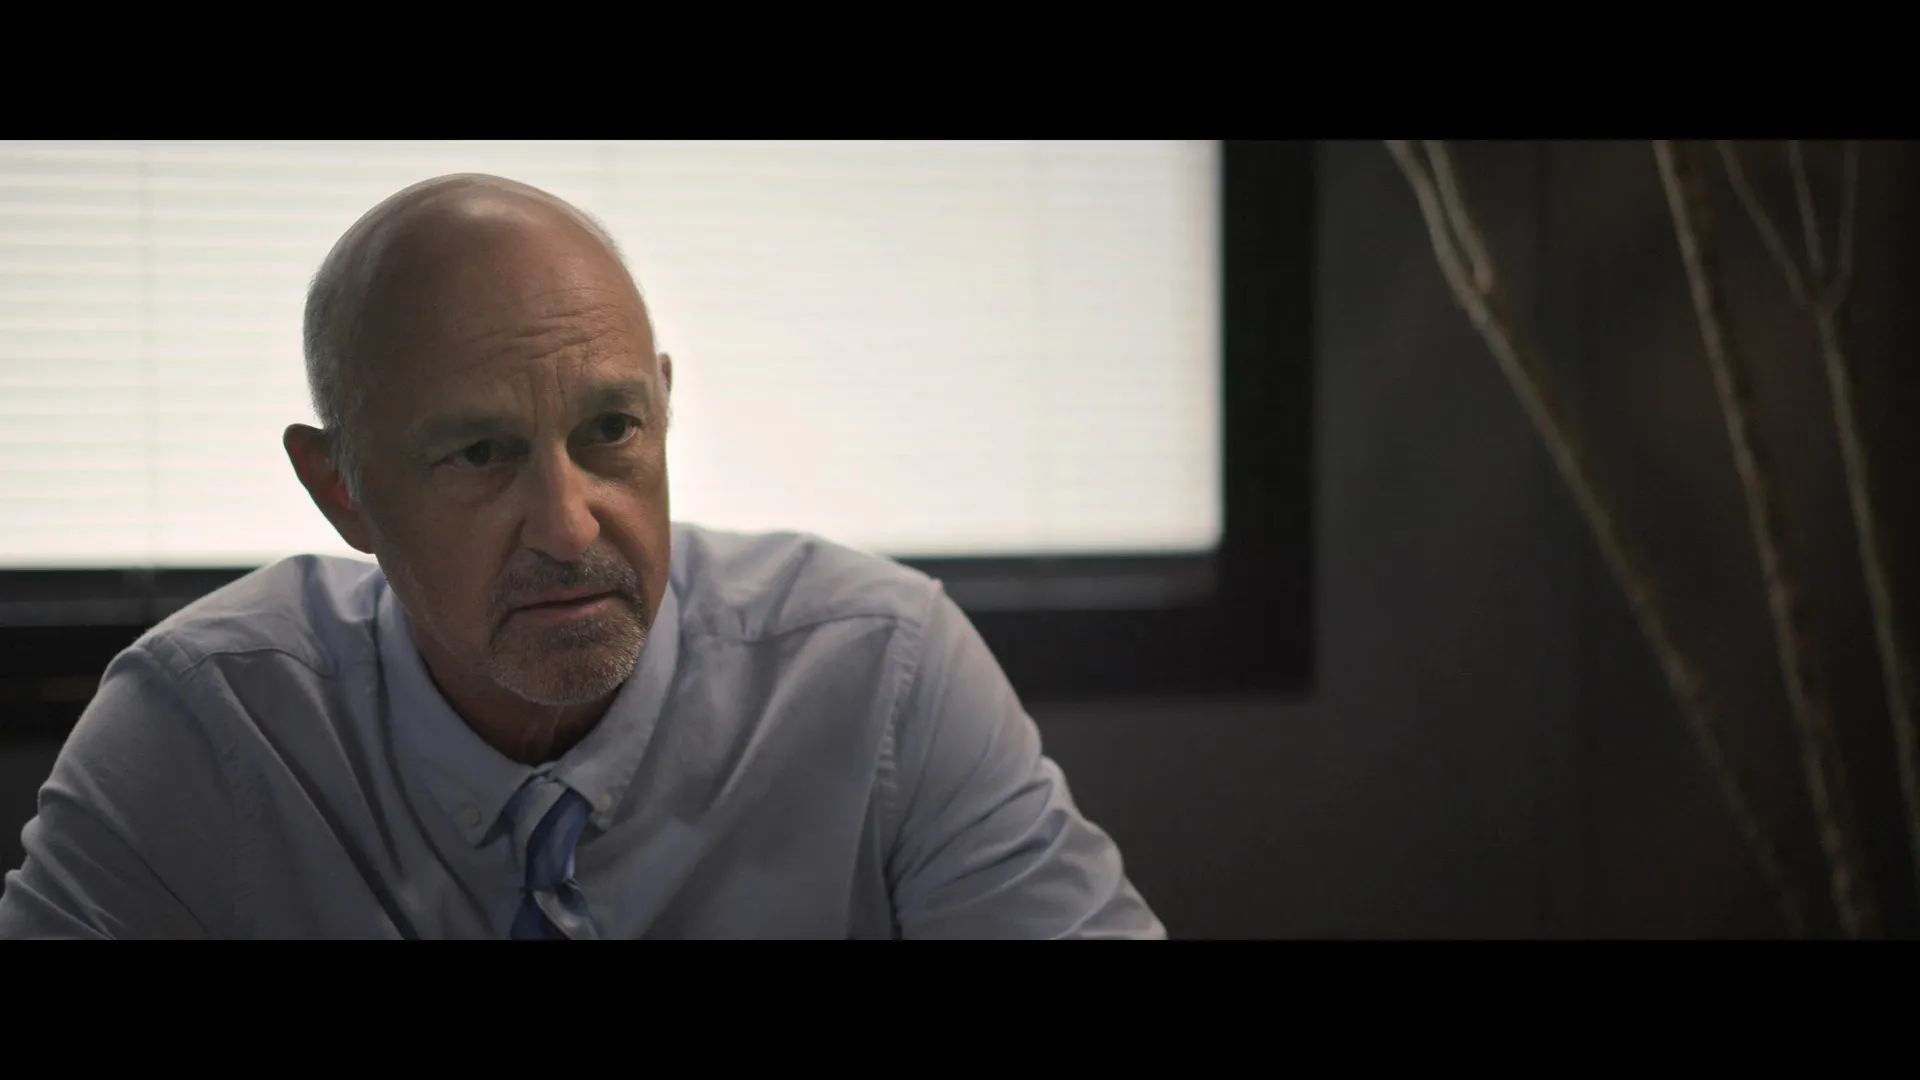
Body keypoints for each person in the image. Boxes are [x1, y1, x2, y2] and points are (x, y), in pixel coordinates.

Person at [0, 174, 1164, 939]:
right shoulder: (203, 731)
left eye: (609, 430)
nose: (568, 528)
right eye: (479, 454)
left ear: (663, 407)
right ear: (341, 489)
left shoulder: (883, 676)